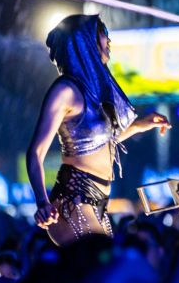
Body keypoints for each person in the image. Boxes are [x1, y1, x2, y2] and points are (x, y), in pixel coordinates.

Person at [26, 15, 170, 246]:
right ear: (85, 41)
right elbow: (35, 153)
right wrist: (42, 202)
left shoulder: (95, 93)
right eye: (103, 35)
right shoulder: (65, 91)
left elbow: (101, 142)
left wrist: (140, 125)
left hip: (97, 202)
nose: (109, 41)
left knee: (107, 265)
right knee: (107, 264)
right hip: (72, 201)